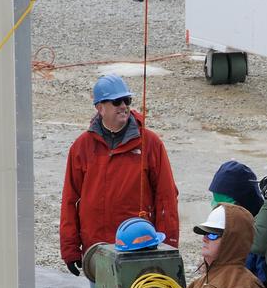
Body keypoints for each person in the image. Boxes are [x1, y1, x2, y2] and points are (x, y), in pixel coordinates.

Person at [59, 74, 179, 276]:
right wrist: (70, 248)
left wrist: (168, 247)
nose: (124, 106)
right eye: (117, 102)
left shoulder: (150, 144)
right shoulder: (81, 147)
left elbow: (166, 197)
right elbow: (70, 199)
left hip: (140, 249)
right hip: (98, 250)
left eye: (127, 100)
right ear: (100, 108)